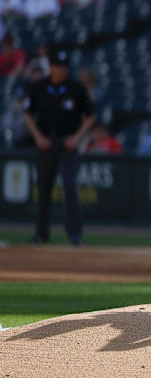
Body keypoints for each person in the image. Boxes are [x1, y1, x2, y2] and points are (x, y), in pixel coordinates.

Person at [23, 49, 96, 246]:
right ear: (51, 67)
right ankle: (41, 234)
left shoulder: (78, 88)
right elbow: (28, 113)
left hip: (67, 144)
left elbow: (91, 116)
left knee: (70, 187)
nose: (61, 70)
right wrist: (38, 137)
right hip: (46, 142)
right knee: (44, 189)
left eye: (64, 67)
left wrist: (77, 138)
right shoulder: (38, 87)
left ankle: (74, 235)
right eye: (58, 66)